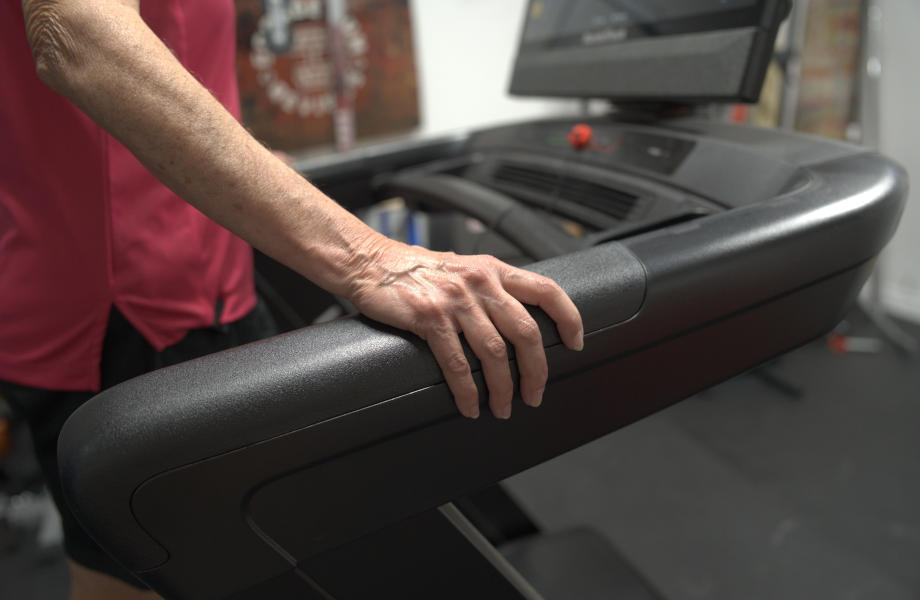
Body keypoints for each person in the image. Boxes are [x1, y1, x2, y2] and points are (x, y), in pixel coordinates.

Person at [1, 1, 584, 599]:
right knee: (138, 579)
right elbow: (73, 32)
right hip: (124, 313)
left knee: (261, 553)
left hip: (220, 282)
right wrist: (368, 258)